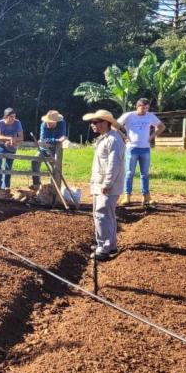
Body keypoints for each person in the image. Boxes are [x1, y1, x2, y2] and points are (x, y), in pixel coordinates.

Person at [83, 109, 125, 261]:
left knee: (102, 214)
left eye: (95, 122)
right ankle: (110, 244)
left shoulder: (113, 140)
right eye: (92, 122)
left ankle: (104, 247)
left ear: (105, 123)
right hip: (101, 183)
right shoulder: (105, 138)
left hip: (107, 185)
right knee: (107, 214)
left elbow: (114, 164)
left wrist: (107, 183)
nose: (93, 125)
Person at [118, 98, 165, 206]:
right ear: (137, 106)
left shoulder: (150, 116)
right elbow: (114, 125)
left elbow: (161, 126)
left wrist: (152, 137)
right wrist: (124, 136)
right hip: (132, 148)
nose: (144, 110)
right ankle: (127, 196)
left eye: (146, 108)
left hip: (145, 149)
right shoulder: (129, 115)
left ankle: (146, 196)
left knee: (145, 174)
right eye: (143, 108)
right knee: (129, 173)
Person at [31, 110, 67, 189]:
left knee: (54, 168)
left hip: (55, 150)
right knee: (35, 161)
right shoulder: (43, 125)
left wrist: (55, 140)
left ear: (56, 122)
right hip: (43, 149)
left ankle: (53, 187)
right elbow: (43, 139)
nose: (47, 124)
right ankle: (36, 184)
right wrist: (56, 140)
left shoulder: (62, 124)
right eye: (47, 121)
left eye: (50, 122)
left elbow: (62, 136)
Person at [0, 108, 23, 190]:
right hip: (1, 146)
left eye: (14, 116)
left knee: (8, 167)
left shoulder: (17, 123)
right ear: (6, 116)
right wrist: (9, 138)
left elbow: (21, 137)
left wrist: (13, 140)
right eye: (11, 116)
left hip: (12, 147)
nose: (13, 118)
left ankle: (6, 186)